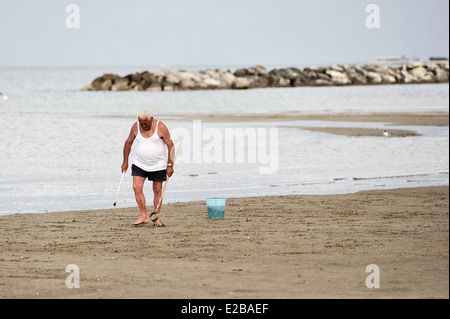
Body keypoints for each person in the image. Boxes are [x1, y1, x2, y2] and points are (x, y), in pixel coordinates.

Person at [121, 110, 174, 226]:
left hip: (158, 164)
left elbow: (170, 145)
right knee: (136, 187)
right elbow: (128, 143)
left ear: (151, 119)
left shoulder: (160, 126)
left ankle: (156, 217)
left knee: (157, 189)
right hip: (139, 163)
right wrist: (125, 161)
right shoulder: (135, 127)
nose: (144, 126)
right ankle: (144, 216)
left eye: (146, 123)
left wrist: (170, 164)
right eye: (141, 123)